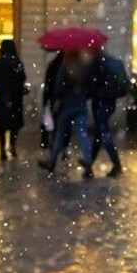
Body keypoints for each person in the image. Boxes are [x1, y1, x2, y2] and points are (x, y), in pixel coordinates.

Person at [38, 50, 94, 178]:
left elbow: (59, 87)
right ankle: (88, 161)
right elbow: (90, 86)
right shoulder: (84, 68)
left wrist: (58, 99)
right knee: (82, 134)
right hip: (81, 105)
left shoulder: (65, 67)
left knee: (60, 134)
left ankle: (52, 161)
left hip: (67, 105)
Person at [85, 46, 129, 177]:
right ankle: (89, 164)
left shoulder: (97, 63)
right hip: (110, 101)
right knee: (99, 133)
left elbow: (91, 84)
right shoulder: (111, 61)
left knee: (103, 133)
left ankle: (116, 164)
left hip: (100, 101)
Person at [0, 40, 27, 162]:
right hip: (15, 98)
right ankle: (12, 145)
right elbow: (22, 78)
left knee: (2, 125)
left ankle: (2, 149)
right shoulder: (17, 62)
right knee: (14, 124)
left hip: (1, 97)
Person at [40, 51, 64, 149]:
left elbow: (47, 84)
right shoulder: (68, 67)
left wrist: (45, 100)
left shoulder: (53, 65)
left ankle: (53, 142)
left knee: (54, 120)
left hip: (54, 98)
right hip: (64, 99)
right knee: (63, 122)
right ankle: (62, 145)